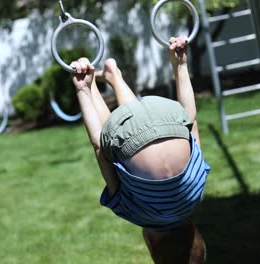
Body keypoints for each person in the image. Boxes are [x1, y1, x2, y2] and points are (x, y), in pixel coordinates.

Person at [69, 36, 211, 264]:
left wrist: (181, 66)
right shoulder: (134, 213)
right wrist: (83, 91)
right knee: (116, 146)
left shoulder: (195, 197)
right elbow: (100, 147)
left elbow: (192, 123)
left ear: (192, 227)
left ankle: (114, 76)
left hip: (170, 116)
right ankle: (93, 82)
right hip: (130, 139)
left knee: (132, 131)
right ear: (151, 245)